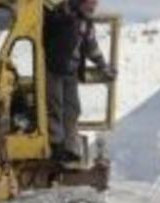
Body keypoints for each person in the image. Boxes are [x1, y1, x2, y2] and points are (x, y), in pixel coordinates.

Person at [43, 0, 116, 162]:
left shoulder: (86, 23)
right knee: (54, 106)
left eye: (95, 5)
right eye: (90, 4)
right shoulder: (61, 14)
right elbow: (47, 29)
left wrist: (103, 66)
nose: (93, 8)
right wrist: (67, 14)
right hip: (52, 69)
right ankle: (55, 146)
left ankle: (70, 148)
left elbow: (91, 47)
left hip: (71, 71)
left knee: (72, 109)